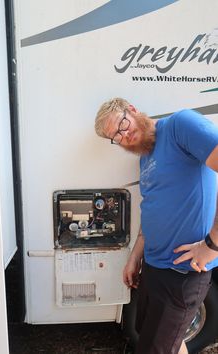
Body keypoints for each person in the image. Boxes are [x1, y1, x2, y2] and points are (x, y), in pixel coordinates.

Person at [94, 98, 218, 354]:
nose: (123, 135)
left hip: (184, 271)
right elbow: (151, 209)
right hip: (154, 267)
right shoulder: (145, 157)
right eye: (115, 136)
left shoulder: (179, 125)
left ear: (132, 109)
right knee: (164, 339)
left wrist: (213, 244)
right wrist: (135, 257)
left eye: (122, 124)